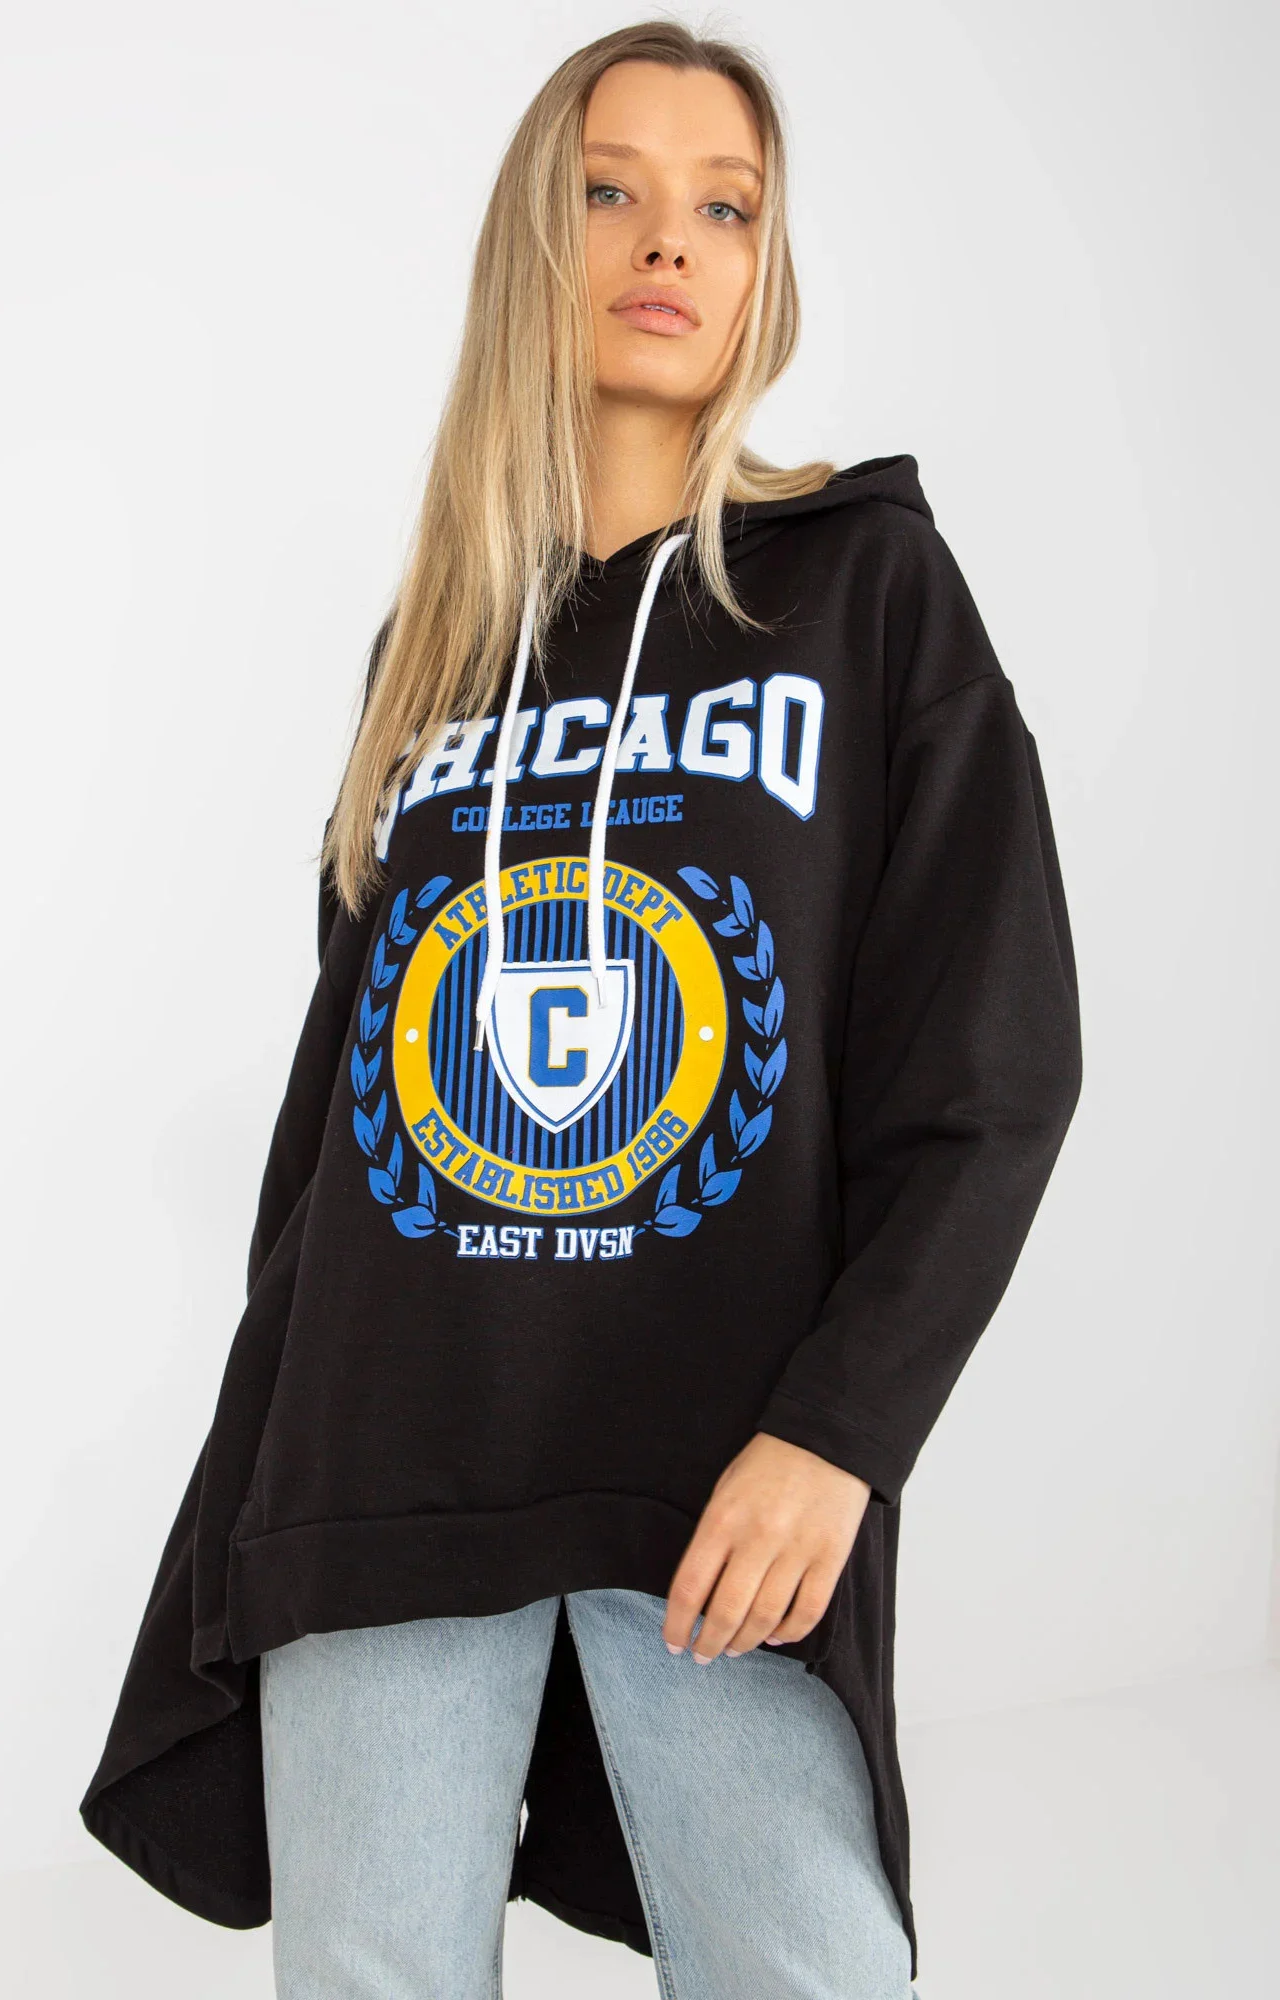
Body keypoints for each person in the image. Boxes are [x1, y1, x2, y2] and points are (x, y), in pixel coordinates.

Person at [80, 21, 1081, 1999]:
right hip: (382, 1454)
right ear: (534, 238)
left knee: (806, 1966)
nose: (669, 240)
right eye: (612, 189)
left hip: (715, 1460)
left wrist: (840, 1432)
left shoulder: (867, 589)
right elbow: (337, 1125)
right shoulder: (435, 645)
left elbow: (993, 1067)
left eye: (728, 205)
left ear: (768, 266)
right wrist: (253, 1488)